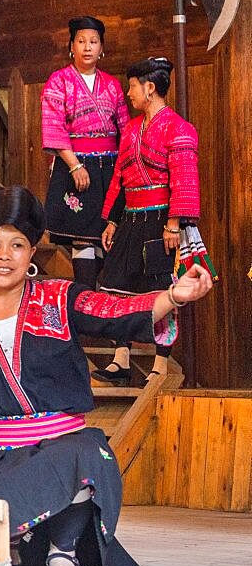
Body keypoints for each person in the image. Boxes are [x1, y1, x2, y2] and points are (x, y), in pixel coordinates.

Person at [0, 185, 212, 566]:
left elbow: (112, 312)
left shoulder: (60, 298)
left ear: (30, 256)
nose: (4, 255)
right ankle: (11, 544)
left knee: (89, 453)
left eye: (17, 245)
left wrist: (172, 297)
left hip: (61, 443)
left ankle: (64, 547)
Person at [94, 57, 200, 386]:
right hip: (131, 221)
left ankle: (160, 365)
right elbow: (119, 180)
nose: (129, 94)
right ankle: (121, 359)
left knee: (162, 291)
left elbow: (184, 180)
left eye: (133, 86)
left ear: (150, 88)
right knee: (117, 288)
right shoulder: (130, 130)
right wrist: (112, 221)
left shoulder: (178, 128)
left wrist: (173, 225)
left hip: (161, 223)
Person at [41, 16, 130, 290]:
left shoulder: (113, 85)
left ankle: (103, 295)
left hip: (110, 167)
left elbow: (125, 129)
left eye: (93, 41)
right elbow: (53, 126)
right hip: (75, 165)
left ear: (102, 47)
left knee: (106, 232)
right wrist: (74, 166)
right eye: (81, 41)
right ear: (72, 46)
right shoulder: (59, 81)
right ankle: (84, 294)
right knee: (82, 236)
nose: (87, 47)